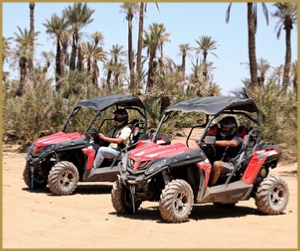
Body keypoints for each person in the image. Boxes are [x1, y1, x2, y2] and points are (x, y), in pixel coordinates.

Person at [209, 116, 243, 186]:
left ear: (233, 128)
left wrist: (214, 142)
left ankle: (211, 186)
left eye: (227, 127)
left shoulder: (237, 138)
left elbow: (230, 143)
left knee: (217, 164)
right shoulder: (220, 137)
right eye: (223, 126)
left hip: (231, 164)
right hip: (219, 159)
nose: (224, 129)